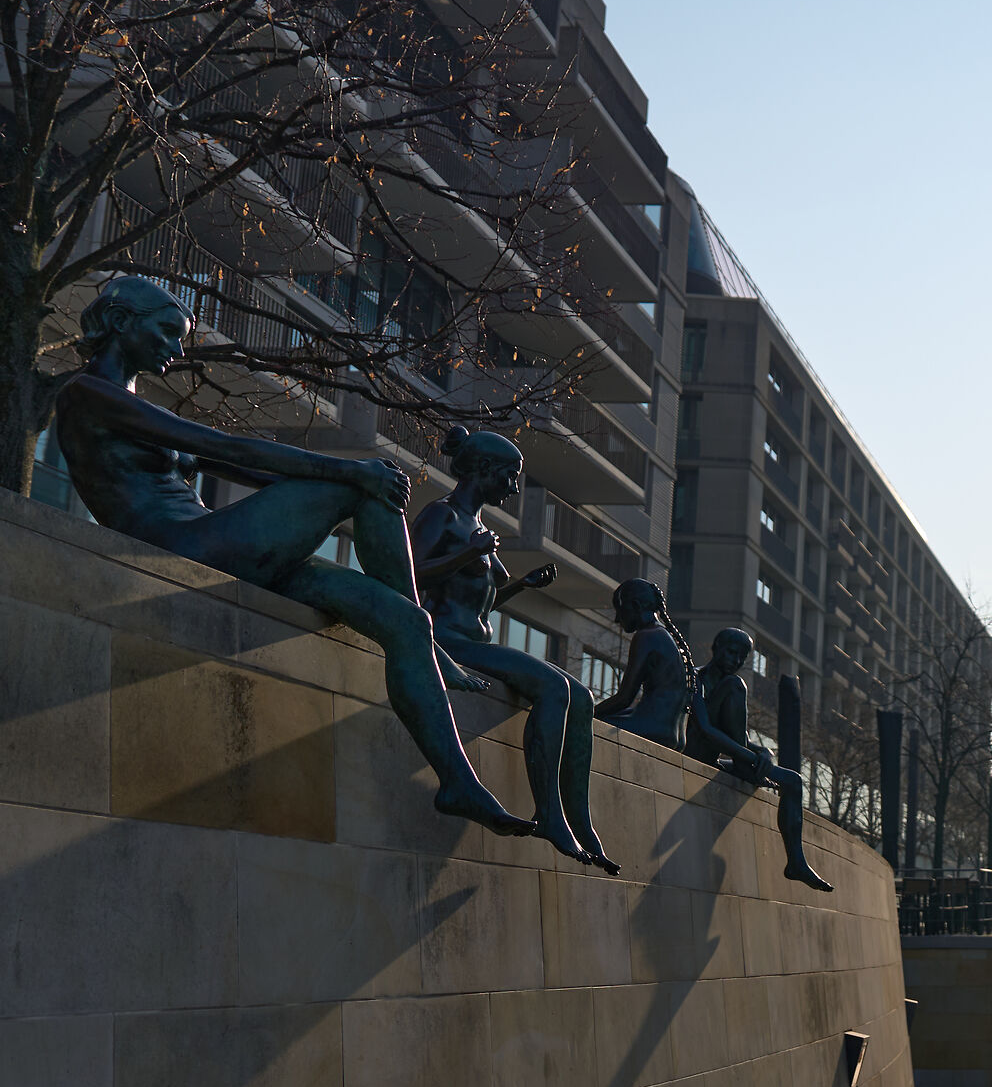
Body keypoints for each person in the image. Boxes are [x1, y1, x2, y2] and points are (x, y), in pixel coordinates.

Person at [50, 275, 535, 839]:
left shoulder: (131, 400)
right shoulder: (86, 394)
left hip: (219, 541)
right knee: (366, 489)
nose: (177, 349)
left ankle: (457, 781)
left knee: (402, 619)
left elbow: (247, 471)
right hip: (181, 546)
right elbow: (223, 445)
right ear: (120, 322)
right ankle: (435, 651)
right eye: (166, 332)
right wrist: (347, 473)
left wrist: (332, 485)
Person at [411, 429, 616, 873]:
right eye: (510, 476)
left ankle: (579, 820)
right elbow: (408, 577)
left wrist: (522, 585)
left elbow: (479, 601)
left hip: (475, 642)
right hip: (445, 642)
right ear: (483, 469)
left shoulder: (480, 529)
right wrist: (466, 555)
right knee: (553, 688)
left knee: (581, 697)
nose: (514, 487)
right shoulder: (441, 516)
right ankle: (550, 816)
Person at [682, 626, 835, 891]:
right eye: (732, 652)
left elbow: (736, 737)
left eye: (742, 656)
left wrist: (763, 752)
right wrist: (750, 757)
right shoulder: (695, 679)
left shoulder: (729, 685)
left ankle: (796, 862)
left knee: (793, 781)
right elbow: (705, 730)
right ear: (716, 648)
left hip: (722, 759)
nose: (736, 660)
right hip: (695, 754)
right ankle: (796, 862)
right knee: (734, 684)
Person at [592, 578, 692, 750]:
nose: (617, 619)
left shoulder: (647, 636)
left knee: (581, 723)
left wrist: (588, 711)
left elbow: (624, 699)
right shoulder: (666, 637)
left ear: (636, 606)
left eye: (620, 610)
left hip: (651, 728)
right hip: (675, 735)